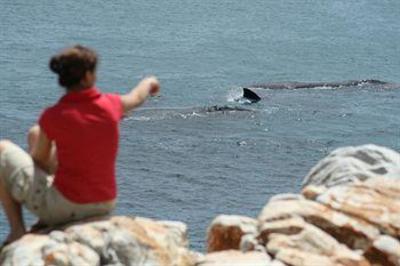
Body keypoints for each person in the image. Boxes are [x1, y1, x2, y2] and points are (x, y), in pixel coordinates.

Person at [0, 45, 160, 246]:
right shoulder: (111, 104)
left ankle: (17, 229)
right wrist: (149, 82)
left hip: (68, 206)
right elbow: (136, 97)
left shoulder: (53, 115)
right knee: (36, 134)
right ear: (87, 76)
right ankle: (47, 214)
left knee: (3, 149)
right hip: (104, 204)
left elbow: (39, 159)